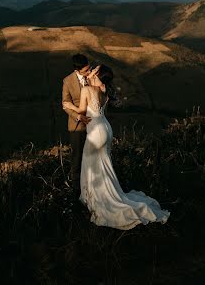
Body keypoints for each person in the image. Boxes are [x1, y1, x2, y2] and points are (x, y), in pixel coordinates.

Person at [63, 64, 170, 230]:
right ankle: (106, 194)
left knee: (91, 165)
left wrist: (69, 106)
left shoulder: (87, 90)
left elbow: (82, 111)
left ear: (97, 75)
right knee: (103, 165)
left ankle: (96, 199)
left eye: (94, 70)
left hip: (96, 131)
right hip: (106, 128)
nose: (90, 71)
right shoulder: (104, 90)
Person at [62, 53, 92, 193]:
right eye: (85, 70)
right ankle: (76, 188)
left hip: (94, 123)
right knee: (77, 157)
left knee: (92, 156)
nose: (89, 72)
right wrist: (78, 117)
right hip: (77, 126)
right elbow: (65, 103)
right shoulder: (67, 81)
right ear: (77, 70)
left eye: (89, 68)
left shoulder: (92, 77)